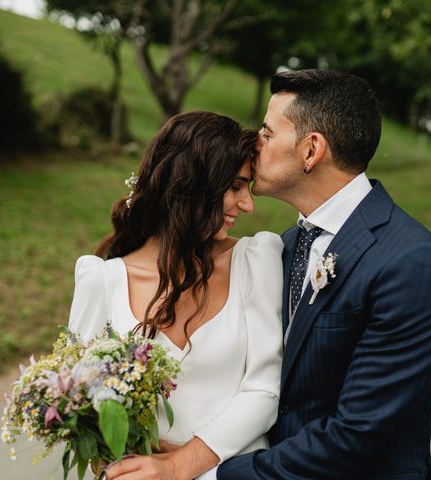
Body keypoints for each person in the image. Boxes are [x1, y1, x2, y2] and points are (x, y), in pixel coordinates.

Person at [215, 70, 431, 479]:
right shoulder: (287, 244)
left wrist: (214, 474)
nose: (252, 144)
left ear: (311, 150)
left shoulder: (412, 265)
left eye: (266, 131)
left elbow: (358, 436)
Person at [68, 111, 284, 480]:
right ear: (194, 183)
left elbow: (265, 390)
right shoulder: (101, 280)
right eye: (235, 186)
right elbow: (80, 407)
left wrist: (180, 465)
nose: (247, 205)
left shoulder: (255, 259)